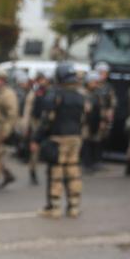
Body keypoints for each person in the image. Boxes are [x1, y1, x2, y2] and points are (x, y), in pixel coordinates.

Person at [33, 62, 87, 218]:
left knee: (56, 174)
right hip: (75, 139)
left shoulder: (54, 95)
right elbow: (84, 119)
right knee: (73, 173)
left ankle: (54, 208)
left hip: (58, 139)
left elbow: (46, 120)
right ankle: (74, 207)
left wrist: (36, 139)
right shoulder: (81, 96)